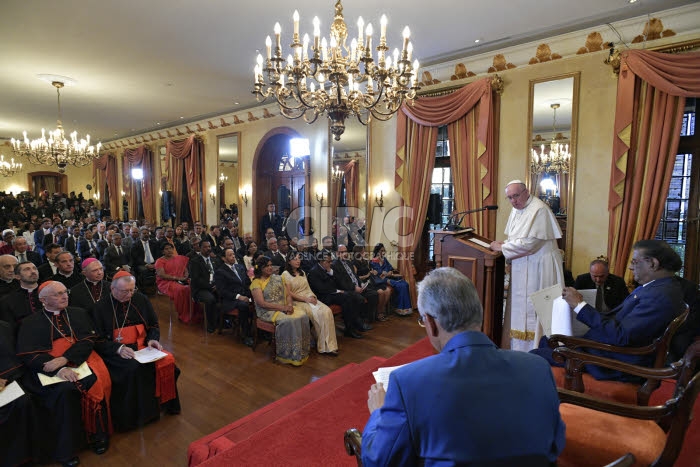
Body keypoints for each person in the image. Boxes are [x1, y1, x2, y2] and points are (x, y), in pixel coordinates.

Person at [362, 268, 565, 466]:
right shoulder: (538, 368)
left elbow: (380, 460)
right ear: (479, 313)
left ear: (431, 323)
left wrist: (378, 414)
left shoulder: (406, 383)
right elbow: (556, 444)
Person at [532, 239, 686, 381]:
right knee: (548, 338)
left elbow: (621, 336)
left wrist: (579, 305)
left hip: (617, 361)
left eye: (634, 261)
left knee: (536, 355)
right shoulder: (658, 287)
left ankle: (553, 402)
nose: (630, 267)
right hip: (613, 348)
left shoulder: (659, 296)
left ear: (653, 263)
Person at [16, 281, 111, 458]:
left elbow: (88, 340)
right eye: (57, 294)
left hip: (78, 360)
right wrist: (58, 370)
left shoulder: (78, 313)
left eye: (65, 292)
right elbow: (28, 354)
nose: (64, 296)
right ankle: (67, 450)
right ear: (43, 299)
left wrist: (66, 359)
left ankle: (97, 435)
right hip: (47, 370)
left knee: (94, 381)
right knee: (65, 392)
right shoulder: (30, 322)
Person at [92, 272, 180, 430]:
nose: (130, 294)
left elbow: (153, 324)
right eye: (125, 291)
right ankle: (134, 419)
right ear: (112, 288)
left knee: (168, 362)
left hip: (142, 346)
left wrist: (153, 339)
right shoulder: (99, 308)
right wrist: (118, 349)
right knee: (133, 369)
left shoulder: (141, 299)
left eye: (132, 290)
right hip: (116, 351)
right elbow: (97, 340)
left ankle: (163, 406)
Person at [490, 180, 564, 351]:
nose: (513, 201)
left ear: (526, 192)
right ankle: (517, 348)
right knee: (520, 308)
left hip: (540, 267)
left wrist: (502, 247)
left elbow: (531, 243)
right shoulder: (516, 210)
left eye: (516, 196)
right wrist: (507, 243)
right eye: (509, 198)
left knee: (535, 309)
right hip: (523, 265)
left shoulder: (539, 209)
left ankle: (538, 348)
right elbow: (518, 238)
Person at [250, 255, 310, 366]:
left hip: (284, 307)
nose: (270, 268)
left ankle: (300, 351)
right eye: (266, 266)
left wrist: (290, 305)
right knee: (289, 321)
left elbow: (288, 295)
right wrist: (283, 308)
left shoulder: (278, 278)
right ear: (260, 268)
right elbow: (261, 303)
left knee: (303, 315)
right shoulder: (256, 283)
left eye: (270, 265)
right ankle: (287, 354)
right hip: (267, 311)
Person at [282, 251, 338, 356]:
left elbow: (308, 288)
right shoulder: (285, 274)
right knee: (318, 314)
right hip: (297, 301)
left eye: (299, 258)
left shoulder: (302, 272)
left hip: (308, 297)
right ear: (289, 261)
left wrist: (312, 296)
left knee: (327, 311)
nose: (298, 261)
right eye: (295, 259)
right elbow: (288, 293)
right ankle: (322, 346)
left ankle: (329, 346)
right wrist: (305, 299)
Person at [308, 252, 365, 339]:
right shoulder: (313, 272)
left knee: (353, 296)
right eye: (328, 262)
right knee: (347, 297)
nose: (331, 263)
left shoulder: (328, 269)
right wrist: (337, 291)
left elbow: (339, 280)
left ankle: (354, 325)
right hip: (323, 297)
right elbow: (321, 289)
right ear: (322, 262)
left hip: (332, 294)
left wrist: (331, 272)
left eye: (331, 261)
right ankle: (350, 329)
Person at [214, 247, 254, 346]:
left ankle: (259, 331)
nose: (233, 256)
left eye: (233, 254)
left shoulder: (240, 267)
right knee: (243, 305)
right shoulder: (220, 272)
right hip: (230, 300)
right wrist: (238, 296)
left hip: (244, 294)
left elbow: (247, 283)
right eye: (230, 255)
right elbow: (222, 291)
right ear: (224, 258)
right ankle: (246, 335)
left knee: (259, 300)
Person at [155, 243, 194, 323]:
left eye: (170, 248)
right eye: (166, 249)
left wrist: (185, 276)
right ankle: (183, 314)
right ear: (163, 251)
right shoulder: (160, 261)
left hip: (180, 279)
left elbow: (185, 269)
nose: (169, 250)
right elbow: (161, 275)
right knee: (181, 289)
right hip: (165, 282)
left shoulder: (178, 258)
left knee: (192, 287)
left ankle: (192, 312)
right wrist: (176, 278)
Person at [370, 243, 412, 316]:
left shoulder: (384, 259)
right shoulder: (373, 261)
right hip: (382, 281)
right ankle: (399, 308)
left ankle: (406, 308)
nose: (383, 252)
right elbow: (377, 274)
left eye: (384, 250)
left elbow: (390, 269)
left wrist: (390, 272)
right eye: (381, 251)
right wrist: (386, 275)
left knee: (405, 284)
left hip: (390, 278)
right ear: (377, 251)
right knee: (401, 286)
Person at [190, 240, 221, 332]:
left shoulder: (215, 260)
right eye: (205, 247)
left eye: (209, 247)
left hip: (215, 286)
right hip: (200, 289)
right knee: (210, 299)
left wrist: (218, 285)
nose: (208, 249)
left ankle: (222, 321)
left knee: (225, 295)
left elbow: (219, 274)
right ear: (200, 248)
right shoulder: (194, 261)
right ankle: (211, 324)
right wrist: (211, 286)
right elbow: (196, 279)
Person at [353, 245, 390, 321]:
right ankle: (378, 313)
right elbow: (355, 277)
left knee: (387, 291)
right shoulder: (354, 263)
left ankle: (381, 311)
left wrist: (373, 272)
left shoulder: (364, 261)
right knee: (381, 292)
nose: (365, 252)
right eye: (363, 251)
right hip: (363, 283)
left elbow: (370, 270)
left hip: (371, 280)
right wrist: (367, 275)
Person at [0, 260, 41, 326]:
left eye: (34, 268)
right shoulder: (7, 300)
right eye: (27, 269)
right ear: (17, 277)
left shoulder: (50, 292)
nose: (33, 271)